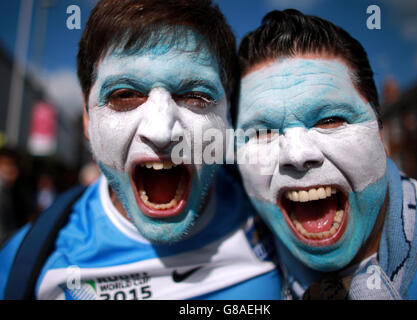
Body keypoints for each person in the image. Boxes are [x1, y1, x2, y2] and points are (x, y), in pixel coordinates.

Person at [0, 0, 281, 300]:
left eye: (196, 95)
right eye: (125, 95)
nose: (161, 133)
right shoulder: (28, 264)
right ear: (86, 117)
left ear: (227, 115)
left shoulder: (272, 212)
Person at [235, 9, 417, 300]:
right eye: (261, 133)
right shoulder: (227, 273)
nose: (297, 155)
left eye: (330, 120)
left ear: (380, 132)